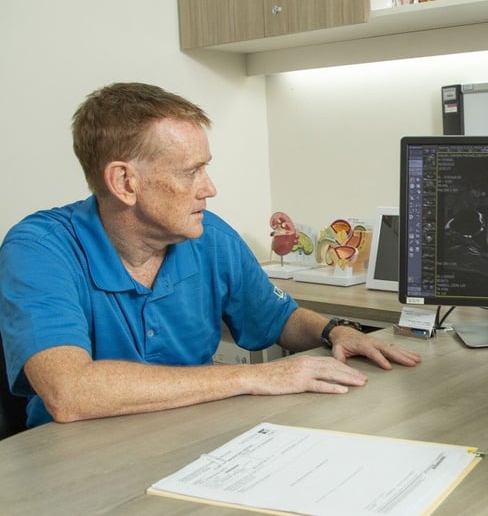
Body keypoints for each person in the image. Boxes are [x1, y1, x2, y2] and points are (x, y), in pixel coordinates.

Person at [0, 82, 421, 428]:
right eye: (191, 172)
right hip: (75, 466)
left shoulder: (209, 236)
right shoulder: (39, 249)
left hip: (192, 437)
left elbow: (277, 318)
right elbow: (69, 391)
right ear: (124, 182)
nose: (209, 188)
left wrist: (336, 331)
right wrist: (256, 377)